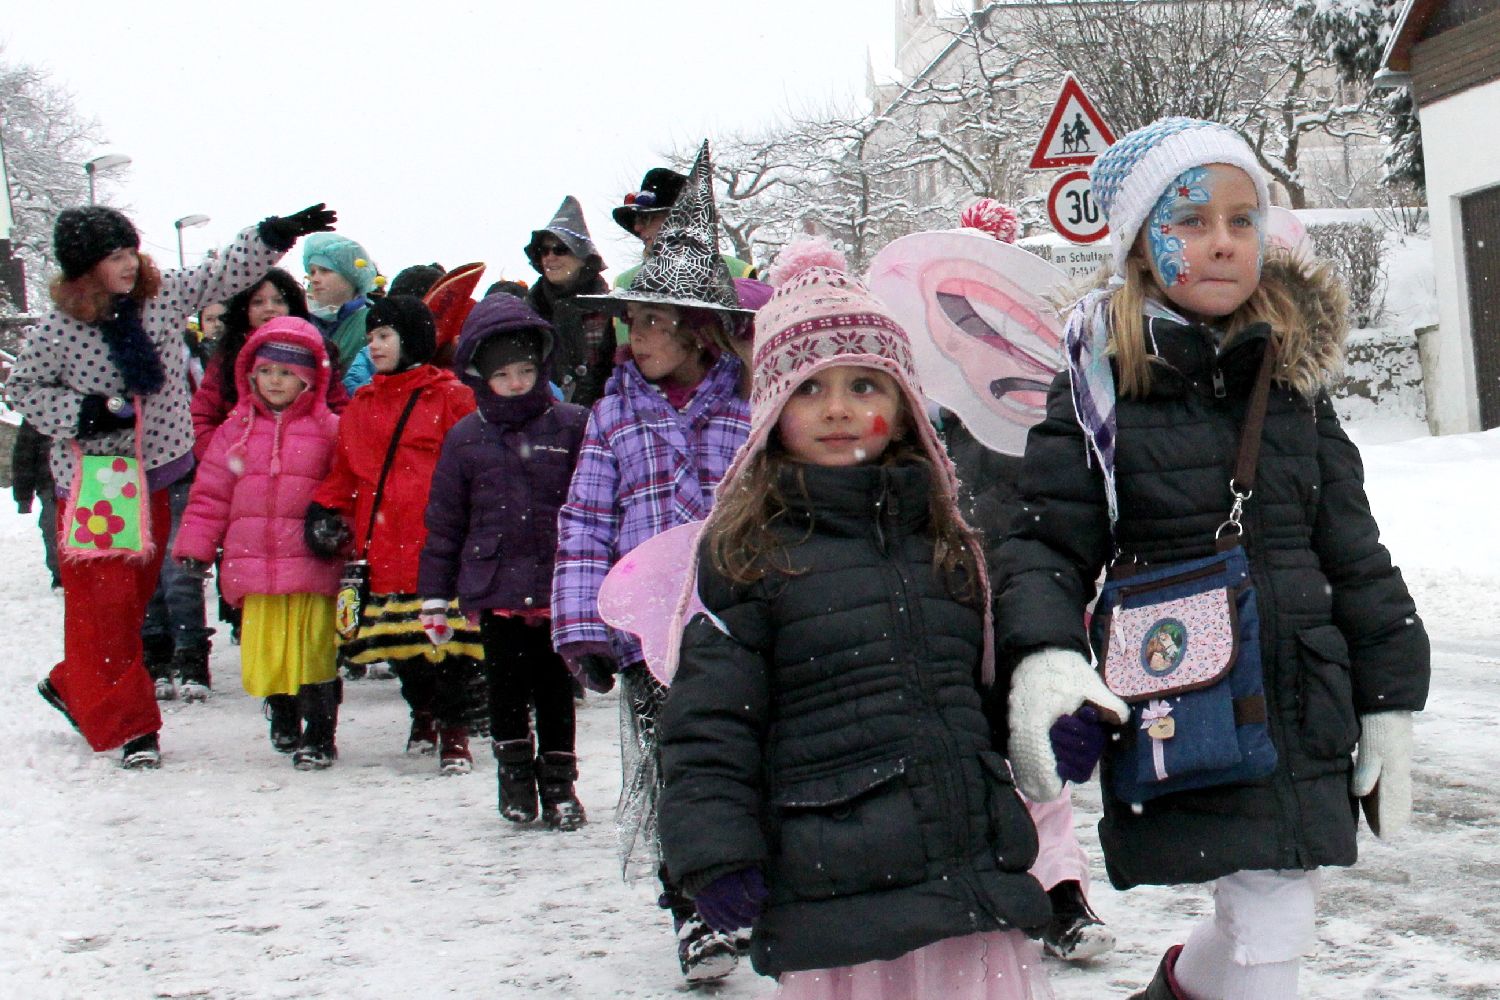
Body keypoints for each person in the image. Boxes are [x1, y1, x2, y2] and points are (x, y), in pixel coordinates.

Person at [994, 118, 1430, 1000]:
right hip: (1187, 699)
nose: (1223, 241)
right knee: (1270, 916)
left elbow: (1355, 552)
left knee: (1268, 909)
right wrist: (1045, 655)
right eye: (1190, 220)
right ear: (1140, 245)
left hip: (1304, 697)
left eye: (1242, 218)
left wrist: (1389, 699)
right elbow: (1044, 541)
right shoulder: (1100, 386)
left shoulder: (1296, 382)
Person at [657, 260, 1053, 998]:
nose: (837, 409)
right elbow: (710, 726)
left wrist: (1046, 722)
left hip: (968, 878)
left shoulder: (948, 543)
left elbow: (976, 696)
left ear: (904, 409)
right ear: (772, 408)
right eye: (809, 388)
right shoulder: (750, 554)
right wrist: (716, 851)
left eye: (864, 386)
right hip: (835, 892)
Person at [12, 201, 335, 768]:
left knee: (133, 601)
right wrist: (87, 412)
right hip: (99, 484)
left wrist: (272, 234)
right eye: (114, 257)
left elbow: (221, 273)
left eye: (130, 252)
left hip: (162, 470)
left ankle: (76, 684)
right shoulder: (59, 330)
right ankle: (132, 726)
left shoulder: (158, 298)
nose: (129, 265)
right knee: (106, 608)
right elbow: (23, 388)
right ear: (85, 268)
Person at [552, 141, 752, 983]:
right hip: (648, 635)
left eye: (653, 322)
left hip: (737, 624)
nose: (635, 336)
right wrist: (581, 626)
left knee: (740, 763)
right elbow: (584, 518)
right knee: (677, 772)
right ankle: (693, 909)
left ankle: (748, 888)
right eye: (630, 321)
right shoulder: (613, 413)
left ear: (700, 331)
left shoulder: (751, 408)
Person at [418, 294, 589, 827]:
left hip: (558, 583)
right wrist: (434, 597)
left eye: (525, 371)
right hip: (495, 586)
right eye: (502, 374)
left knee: (557, 689)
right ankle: (514, 775)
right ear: (480, 376)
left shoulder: (571, 426)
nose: (516, 383)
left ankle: (559, 783)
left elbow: (595, 503)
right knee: (505, 688)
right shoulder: (466, 437)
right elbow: (445, 523)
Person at [305, 295, 483, 773]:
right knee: (401, 648)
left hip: (438, 544)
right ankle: (422, 713)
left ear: (413, 340)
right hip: (381, 547)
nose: (375, 346)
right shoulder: (361, 406)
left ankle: (454, 731)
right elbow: (346, 473)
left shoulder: (451, 398)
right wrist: (325, 509)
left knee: (447, 646)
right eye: (370, 337)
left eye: (384, 336)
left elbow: (476, 467)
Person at [173, 318, 344, 768]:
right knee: (268, 651)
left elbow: (347, 488)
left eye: (286, 373)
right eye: (266, 371)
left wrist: (339, 526)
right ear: (250, 374)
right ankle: (283, 711)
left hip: (310, 563)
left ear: (310, 378)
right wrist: (196, 546)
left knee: (314, 651)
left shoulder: (330, 429)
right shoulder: (235, 430)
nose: (274, 381)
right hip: (254, 563)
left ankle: (319, 730)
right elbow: (210, 494)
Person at [609, 166, 757, 347]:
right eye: (636, 220)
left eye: (647, 218)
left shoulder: (739, 273)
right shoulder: (624, 284)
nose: (637, 228)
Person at [523, 197, 613, 408]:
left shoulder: (610, 310)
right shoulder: (528, 312)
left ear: (583, 257)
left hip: (602, 416)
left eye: (560, 249)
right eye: (544, 250)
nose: (550, 257)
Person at [301, 232, 378, 388]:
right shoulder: (300, 319)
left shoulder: (372, 322)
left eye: (325, 270)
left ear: (351, 276)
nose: (315, 279)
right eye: (312, 272)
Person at [11, 419, 60, 589]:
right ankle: (60, 575)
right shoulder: (37, 415)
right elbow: (24, 456)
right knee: (53, 527)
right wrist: (23, 496)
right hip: (50, 485)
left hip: (86, 481)